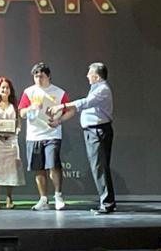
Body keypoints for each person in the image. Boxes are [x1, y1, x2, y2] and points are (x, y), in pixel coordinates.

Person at [48, 62, 115, 214]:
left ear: (96, 76)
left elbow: (85, 103)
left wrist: (62, 106)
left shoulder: (102, 89)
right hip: (94, 131)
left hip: (98, 131)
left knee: (99, 167)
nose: (87, 76)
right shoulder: (96, 88)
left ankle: (107, 203)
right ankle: (107, 201)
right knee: (98, 167)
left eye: (89, 73)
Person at [18, 62, 69, 211]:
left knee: (53, 165)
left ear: (48, 76)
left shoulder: (59, 92)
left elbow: (70, 110)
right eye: (36, 76)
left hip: (52, 133)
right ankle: (43, 199)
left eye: (41, 75)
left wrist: (60, 120)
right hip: (34, 135)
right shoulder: (29, 92)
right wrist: (30, 109)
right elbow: (21, 112)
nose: (38, 79)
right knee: (38, 168)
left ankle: (58, 196)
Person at [0, 77, 24, 209]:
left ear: (10, 90)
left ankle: (9, 198)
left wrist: (15, 131)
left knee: (11, 168)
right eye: (2, 88)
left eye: (7, 88)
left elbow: (18, 122)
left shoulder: (14, 105)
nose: (5, 90)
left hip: (12, 141)